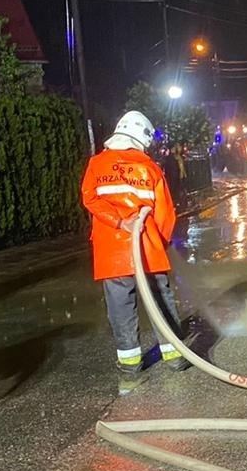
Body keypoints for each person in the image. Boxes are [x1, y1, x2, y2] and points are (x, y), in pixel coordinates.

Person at [81, 111, 191, 373]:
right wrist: (159, 242)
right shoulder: (150, 168)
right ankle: (174, 356)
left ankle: (130, 362)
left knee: (120, 307)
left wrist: (118, 223)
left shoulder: (97, 164)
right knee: (160, 300)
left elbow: (89, 199)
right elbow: (165, 213)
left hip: (111, 252)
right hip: (148, 248)